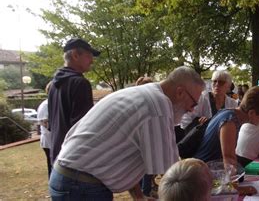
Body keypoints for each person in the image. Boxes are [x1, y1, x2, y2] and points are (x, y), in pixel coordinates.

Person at [48, 66, 205, 200]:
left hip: (72, 179)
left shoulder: (146, 94)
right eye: (193, 103)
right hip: (80, 185)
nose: (192, 110)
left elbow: (126, 157)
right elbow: (173, 175)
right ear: (180, 92)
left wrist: (138, 196)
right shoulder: (158, 106)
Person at [48, 38, 100, 164]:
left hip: (56, 151)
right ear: (76, 55)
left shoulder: (53, 85)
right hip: (74, 158)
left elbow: (51, 123)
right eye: (89, 56)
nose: (92, 61)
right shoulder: (79, 83)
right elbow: (82, 126)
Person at [194, 86, 259, 167]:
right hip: (202, 173)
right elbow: (229, 160)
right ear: (251, 113)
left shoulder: (230, 115)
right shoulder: (230, 122)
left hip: (209, 170)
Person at [179, 70, 238, 136]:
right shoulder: (201, 98)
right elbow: (185, 118)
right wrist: (197, 125)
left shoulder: (233, 103)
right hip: (201, 140)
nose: (217, 84)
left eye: (221, 82)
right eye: (214, 81)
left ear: (228, 85)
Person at [37, 81, 53, 178]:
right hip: (49, 141)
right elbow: (44, 122)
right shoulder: (45, 105)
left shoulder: (54, 103)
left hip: (55, 140)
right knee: (52, 166)